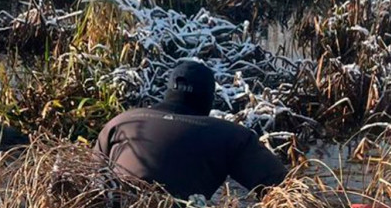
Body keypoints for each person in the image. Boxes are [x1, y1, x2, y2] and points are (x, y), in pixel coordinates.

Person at [95, 59, 288, 200]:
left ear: (169, 91)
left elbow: (89, 178)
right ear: (209, 99)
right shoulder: (229, 135)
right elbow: (285, 190)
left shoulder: (120, 122)